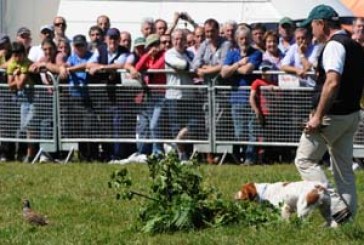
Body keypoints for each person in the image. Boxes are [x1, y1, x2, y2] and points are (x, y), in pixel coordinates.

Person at [296, 4, 364, 226]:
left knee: (305, 160)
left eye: (311, 26)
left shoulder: (334, 46)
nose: (310, 32)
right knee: (343, 170)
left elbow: (332, 81)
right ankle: (346, 222)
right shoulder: (355, 45)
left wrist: (317, 116)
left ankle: (335, 206)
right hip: (351, 114)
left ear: (321, 24)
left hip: (331, 116)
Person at [220, 25, 262, 165]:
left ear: (250, 39)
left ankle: (250, 158)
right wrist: (238, 64)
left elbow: (247, 70)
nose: (244, 41)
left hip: (251, 98)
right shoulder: (232, 54)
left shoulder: (256, 53)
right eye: (241, 38)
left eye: (246, 38)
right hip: (236, 98)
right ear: (237, 39)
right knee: (239, 132)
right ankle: (243, 155)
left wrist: (233, 69)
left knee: (252, 130)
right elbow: (223, 73)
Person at [165, 29, 199, 161]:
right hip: (174, 96)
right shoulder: (169, 54)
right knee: (176, 126)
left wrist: (190, 68)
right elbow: (182, 65)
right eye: (176, 39)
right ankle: (181, 156)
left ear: (185, 41)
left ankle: (176, 143)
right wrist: (191, 68)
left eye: (181, 39)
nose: (178, 42)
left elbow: (194, 65)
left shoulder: (190, 53)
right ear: (172, 41)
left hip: (190, 96)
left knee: (194, 124)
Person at [6, 42, 36, 163]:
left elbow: (19, 84)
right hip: (21, 99)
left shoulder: (26, 63)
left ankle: (30, 155)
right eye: (14, 54)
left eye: (19, 54)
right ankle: (22, 154)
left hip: (32, 98)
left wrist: (16, 75)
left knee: (29, 126)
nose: (17, 57)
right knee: (23, 127)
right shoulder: (12, 63)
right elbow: (10, 86)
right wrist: (16, 76)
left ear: (24, 54)